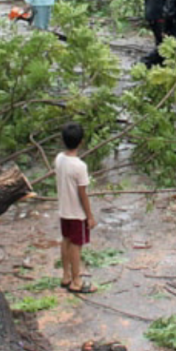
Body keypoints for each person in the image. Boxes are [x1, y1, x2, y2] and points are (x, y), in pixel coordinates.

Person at [56, 122, 96, 294]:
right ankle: (77, 280)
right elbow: (83, 194)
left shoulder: (59, 159)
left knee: (65, 240)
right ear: (81, 142)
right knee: (76, 245)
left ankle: (66, 275)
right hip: (76, 213)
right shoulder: (80, 166)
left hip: (64, 210)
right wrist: (90, 216)